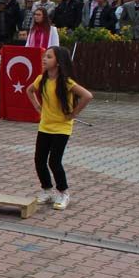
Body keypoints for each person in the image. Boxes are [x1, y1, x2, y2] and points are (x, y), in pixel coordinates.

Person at [25, 46, 93, 211]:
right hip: (45, 126)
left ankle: (63, 192)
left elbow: (87, 96)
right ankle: (47, 190)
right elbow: (29, 90)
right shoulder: (41, 79)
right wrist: (36, 106)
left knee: (54, 161)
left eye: (49, 57)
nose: (44, 59)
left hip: (62, 128)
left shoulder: (67, 82)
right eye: (44, 56)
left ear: (58, 62)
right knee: (39, 160)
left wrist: (74, 113)